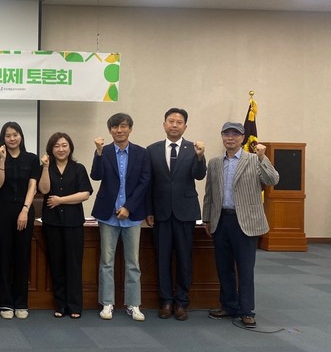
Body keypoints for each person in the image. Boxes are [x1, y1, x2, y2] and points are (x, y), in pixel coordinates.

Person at [203, 121, 279, 328]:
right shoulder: (215, 163)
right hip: (221, 220)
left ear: (242, 138)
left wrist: (263, 157)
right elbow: (209, 193)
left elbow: (273, 179)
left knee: (245, 268)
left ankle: (247, 311)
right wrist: (207, 218)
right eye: (226, 134)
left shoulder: (254, 159)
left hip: (246, 222)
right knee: (224, 267)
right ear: (222, 137)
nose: (230, 137)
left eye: (235, 134)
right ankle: (229, 306)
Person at [145, 108, 206, 321]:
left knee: (184, 258)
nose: (174, 125)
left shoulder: (194, 149)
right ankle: (166, 301)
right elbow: (148, 183)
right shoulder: (152, 150)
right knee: (162, 258)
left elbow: (199, 175)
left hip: (185, 213)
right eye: (171, 121)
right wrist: (149, 210)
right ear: (164, 124)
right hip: (160, 213)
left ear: (185, 127)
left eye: (179, 122)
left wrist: (200, 157)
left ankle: (181, 302)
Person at [91, 112, 151, 322]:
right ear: (110, 130)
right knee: (106, 262)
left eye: (123, 126)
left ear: (130, 129)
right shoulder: (104, 151)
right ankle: (107, 303)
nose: (119, 130)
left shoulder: (141, 153)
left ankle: (133, 304)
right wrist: (98, 153)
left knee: (133, 262)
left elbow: (145, 182)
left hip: (132, 216)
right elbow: (96, 176)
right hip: (108, 215)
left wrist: (128, 207)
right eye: (115, 127)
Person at [38, 132, 93, 319]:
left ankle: (75, 305)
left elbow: (85, 194)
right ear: (51, 149)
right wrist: (46, 167)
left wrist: (61, 200)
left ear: (70, 148)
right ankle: (61, 305)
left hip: (73, 223)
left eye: (64, 145)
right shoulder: (46, 167)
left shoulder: (78, 168)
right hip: (52, 222)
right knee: (57, 264)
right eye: (56, 146)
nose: (61, 149)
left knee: (74, 265)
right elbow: (44, 189)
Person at [0, 122, 40, 320]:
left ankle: (21, 302)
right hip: (2, 209)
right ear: (3, 138)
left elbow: (33, 186)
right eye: (8, 135)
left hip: (24, 210)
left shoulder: (32, 158)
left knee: (22, 256)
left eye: (15, 134)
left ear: (21, 136)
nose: (12, 138)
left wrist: (25, 210)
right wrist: (2, 160)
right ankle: (6, 303)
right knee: (3, 256)